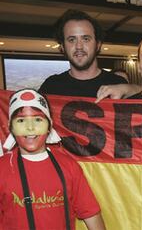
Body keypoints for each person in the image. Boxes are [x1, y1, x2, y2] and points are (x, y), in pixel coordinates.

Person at [0, 89, 105, 229]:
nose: (30, 128)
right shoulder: (2, 168)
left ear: (49, 125)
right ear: (11, 127)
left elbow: (91, 214)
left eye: (38, 119)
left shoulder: (68, 166)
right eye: (21, 120)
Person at [39, 9, 127, 97]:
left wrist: (130, 88)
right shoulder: (51, 86)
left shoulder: (117, 84)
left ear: (98, 45)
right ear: (62, 47)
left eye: (86, 39)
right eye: (72, 40)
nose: (79, 46)